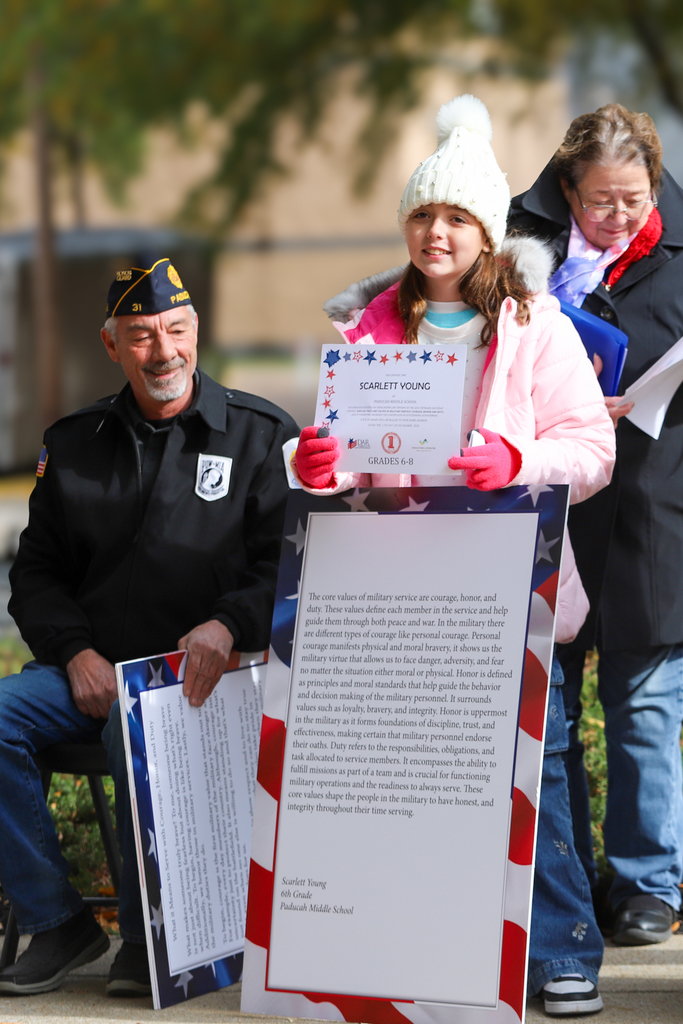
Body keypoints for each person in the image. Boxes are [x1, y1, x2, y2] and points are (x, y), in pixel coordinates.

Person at [293, 95, 615, 1017]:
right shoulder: (368, 333)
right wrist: (314, 462)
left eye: (457, 217)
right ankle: (419, 941)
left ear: (487, 229)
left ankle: (560, 951)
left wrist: (517, 461)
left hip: (508, 578)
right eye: (422, 214)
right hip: (395, 589)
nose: (437, 232)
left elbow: (591, 451)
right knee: (413, 777)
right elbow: (336, 454)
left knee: (538, 762)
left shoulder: (533, 325)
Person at [0, 259, 298, 996]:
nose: (162, 351)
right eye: (140, 336)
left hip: (212, 678)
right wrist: (75, 653)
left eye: (174, 330)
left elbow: (289, 566)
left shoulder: (262, 437)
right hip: (93, 673)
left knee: (127, 728)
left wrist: (229, 623)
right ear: (112, 347)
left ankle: (147, 936)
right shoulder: (73, 445)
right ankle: (59, 920)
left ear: (197, 332)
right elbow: (34, 574)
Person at [508, 104, 683, 947]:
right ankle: (566, 872)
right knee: (552, 705)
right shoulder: (515, 247)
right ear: (565, 188)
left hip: (654, 501)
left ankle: (648, 882)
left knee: (645, 701)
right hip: (547, 502)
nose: (619, 217)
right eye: (600, 201)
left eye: (636, 199)